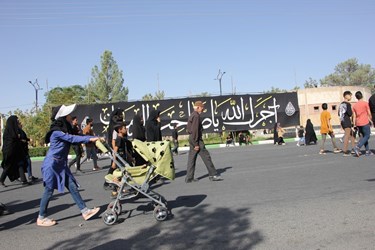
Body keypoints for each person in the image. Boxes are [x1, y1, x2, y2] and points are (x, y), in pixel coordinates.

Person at [37, 104, 101, 227]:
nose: (71, 117)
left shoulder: (65, 129)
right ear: (62, 118)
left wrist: (93, 138)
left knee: (72, 186)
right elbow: (72, 139)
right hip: (52, 165)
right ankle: (41, 217)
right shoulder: (56, 132)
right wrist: (90, 139)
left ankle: (85, 211)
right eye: (68, 115)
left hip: (61, 165)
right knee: (49, 190)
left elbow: (77, 135)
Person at [185, 101, 222, 183]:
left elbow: (188, 129)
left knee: (191, 158)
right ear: (198, 107)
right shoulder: (196, 116)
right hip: (196, 139)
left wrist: (193, 141)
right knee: (206, 156)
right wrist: (196, 143)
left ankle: (189, 177)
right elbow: (195, 130)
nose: (203, 109)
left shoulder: (192, 115)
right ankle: (213, 175)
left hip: (192, 138)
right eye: (202, 108)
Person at [0, 115, 30, 187]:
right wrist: (19, 138)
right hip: (9, 152)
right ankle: (1, 180)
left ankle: (24, 181)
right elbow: (13, 139)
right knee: (8, 166)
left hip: (16, 151)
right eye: (16, 120)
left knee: (20, 164)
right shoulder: (8, 131)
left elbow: (17, 138)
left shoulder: (14, 129)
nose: (18, 121)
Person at [352, 91, 372, 157]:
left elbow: (354, 116)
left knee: (364, 136)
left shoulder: (354, 106)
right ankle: (357, 147)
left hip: (358, 123)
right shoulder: (365, 103)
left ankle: (367, 151)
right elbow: (369, 113)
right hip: (365, 122)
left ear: (356, 97)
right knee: (367, 135)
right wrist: (371, 120)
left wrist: (354, 124)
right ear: (362, 96)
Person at [338, 91, 356, 156]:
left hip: (342, 121)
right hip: (347, 121)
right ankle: (345, 151)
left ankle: (354, 149)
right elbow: (350, 113)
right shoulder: (348, 104)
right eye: (350, 96)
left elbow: (339, 113)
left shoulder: (341, 104)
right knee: (347, 135)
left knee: (352, 135)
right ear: (346, 96)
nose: (351, 97)